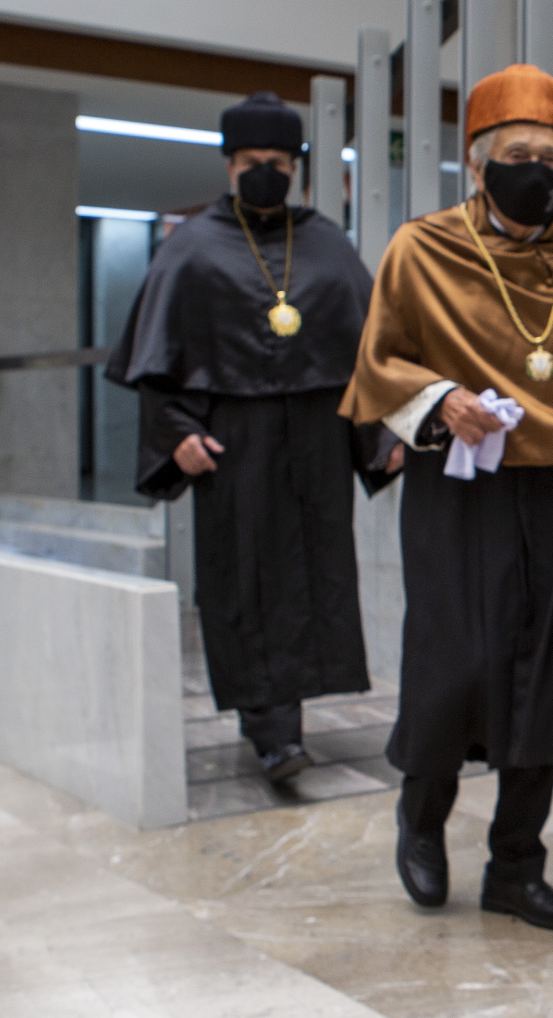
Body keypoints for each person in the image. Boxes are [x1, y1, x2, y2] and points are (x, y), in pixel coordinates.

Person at [339, 64, 553, 932]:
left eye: (550, 157)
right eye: (517, 154)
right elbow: (379, 361)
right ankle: (421, 819)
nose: (534, 170)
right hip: (463, 482)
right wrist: (437, 399)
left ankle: (517, 866)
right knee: (453, 661)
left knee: (546, 669)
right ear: (478, 160)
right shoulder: (422, 249)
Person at [106, 91, 391, 783]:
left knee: (313, 573)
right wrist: (177, 433)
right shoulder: (193, 245)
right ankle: (270, 730)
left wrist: (381, 439)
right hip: (236, 442)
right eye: (253, 161)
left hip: (318, 437)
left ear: (296, 168)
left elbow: (367, 351)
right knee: (246, 578)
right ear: (229, 165)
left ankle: (290, 717)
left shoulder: (326, 242)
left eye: (280, 163)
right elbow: (157, 362)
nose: (267, 172)